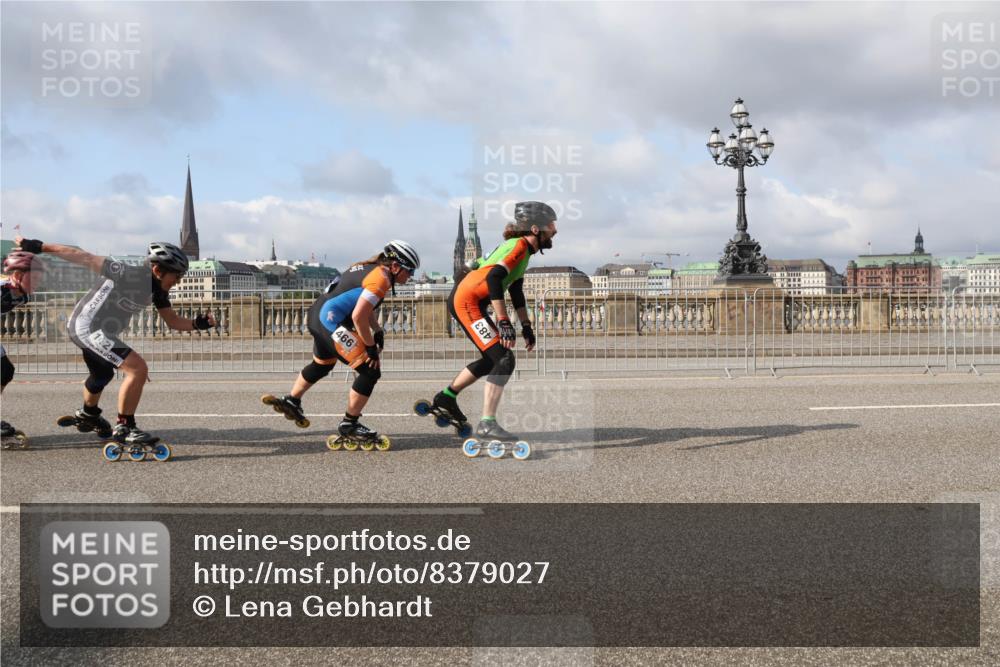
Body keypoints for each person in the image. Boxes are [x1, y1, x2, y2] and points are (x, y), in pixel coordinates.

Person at [14, 236, 215, 445]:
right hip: (87, 326)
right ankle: (125, 426)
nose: (178, 282)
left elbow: (172, 321)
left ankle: (88, 414)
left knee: (102, 374)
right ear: (157, 270)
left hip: (99, 330)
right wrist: (39, 246)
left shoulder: (159, 290)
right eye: (177, 276)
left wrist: (198, 324)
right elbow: (83, 257)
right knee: (137, 369)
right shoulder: (128, 273)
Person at [265, 240, 419, 444]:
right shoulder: (380, 279)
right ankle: (350, 423)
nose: (410, 277)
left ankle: (292, 400)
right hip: (330, 322)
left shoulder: (368, 268)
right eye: (409, 271)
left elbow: (362, 305)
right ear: (396, 266)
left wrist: (378, 329)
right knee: (370, 370)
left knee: (322, 364)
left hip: (318, 316)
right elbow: (358, 317)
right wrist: (371, 347)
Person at [433, 201, 557, 438]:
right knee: (504, 359)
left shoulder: (522, 250)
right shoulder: (518, 247)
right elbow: (494, 279)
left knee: (493, 359)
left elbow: (516, 291)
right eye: (550, 226)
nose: (554, 230)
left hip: (471, 301)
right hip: (467, 303)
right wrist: (503, 321)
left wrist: (527, 326)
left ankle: (446, 397)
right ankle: (487, 423)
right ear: (534, 229)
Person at [1, 250, 45, 444]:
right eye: (34, 278)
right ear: (18, 276)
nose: (38, 282)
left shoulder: (22, 296)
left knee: (5, 372)